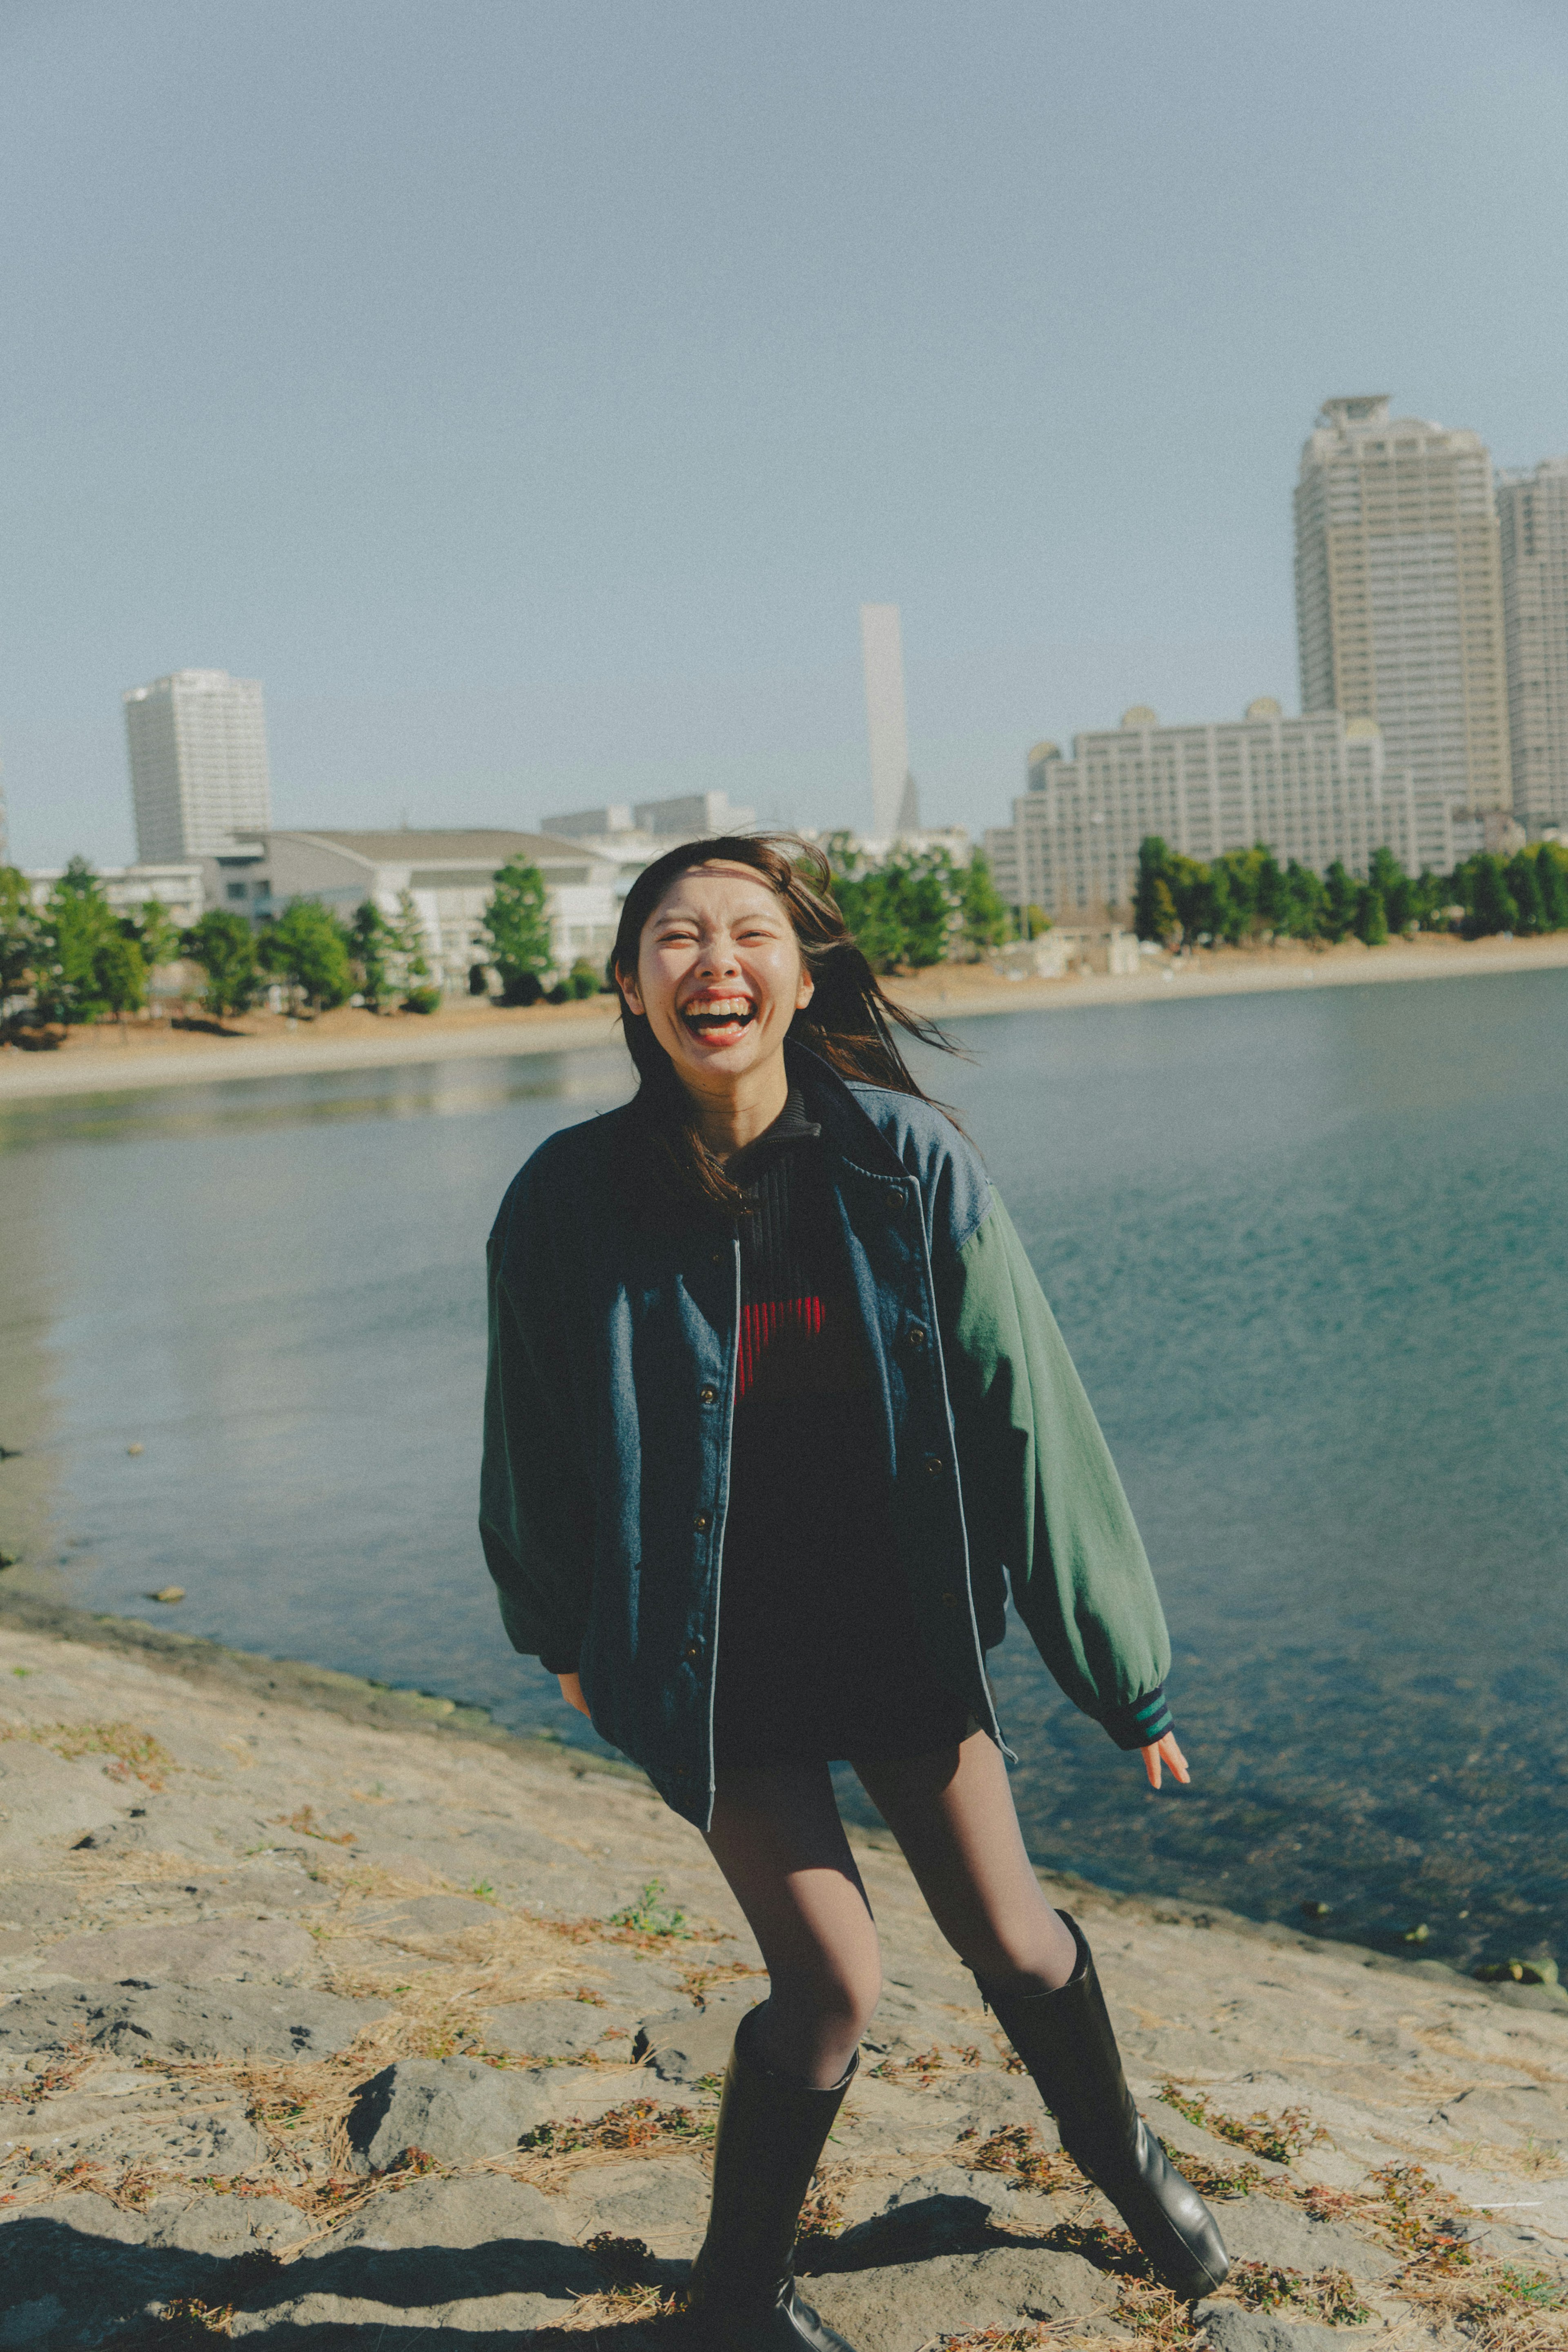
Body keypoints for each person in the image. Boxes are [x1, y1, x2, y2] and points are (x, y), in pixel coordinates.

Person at [481, 835, 1229, 2352]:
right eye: (675, 937)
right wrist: (556, 1625)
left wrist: (1120, 1667)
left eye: (750, 932)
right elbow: (534, 1435)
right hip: (715, 1653)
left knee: (1016, 1942)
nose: (715, 960)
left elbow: (1030, 1411)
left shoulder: (904, 1160)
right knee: (830, 1983)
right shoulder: (567, 1198)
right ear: (629, 988)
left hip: (894, 1621)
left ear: (799, 976)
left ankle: (1131, 2170)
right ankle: (736, 2302)